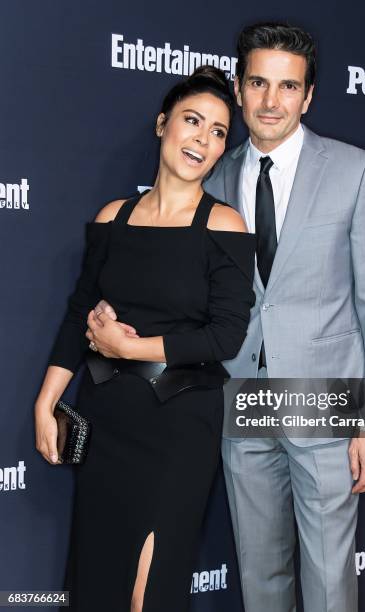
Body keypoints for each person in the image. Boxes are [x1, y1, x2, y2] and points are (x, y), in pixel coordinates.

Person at [90, 21, 365, 612]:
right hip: (237, 398)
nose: (270, 101)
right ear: (238, 88)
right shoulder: (213, 172)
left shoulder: (357, 171)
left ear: (308, 96)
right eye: (258, 83)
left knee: (330, 575)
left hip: (324, 401)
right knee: (260, 576)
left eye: (288, 87)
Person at [34, 65, 256, 612]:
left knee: (148, 592)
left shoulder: (224, 225)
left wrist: (131, 348)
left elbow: (226, 337)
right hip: (108, 417)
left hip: (181, 426)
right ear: (162, 125)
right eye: (192, 121)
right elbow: (77, 313)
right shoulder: (114, 217)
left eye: (219, 132)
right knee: (101, 582)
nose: (203, 139)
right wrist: (47, 400)